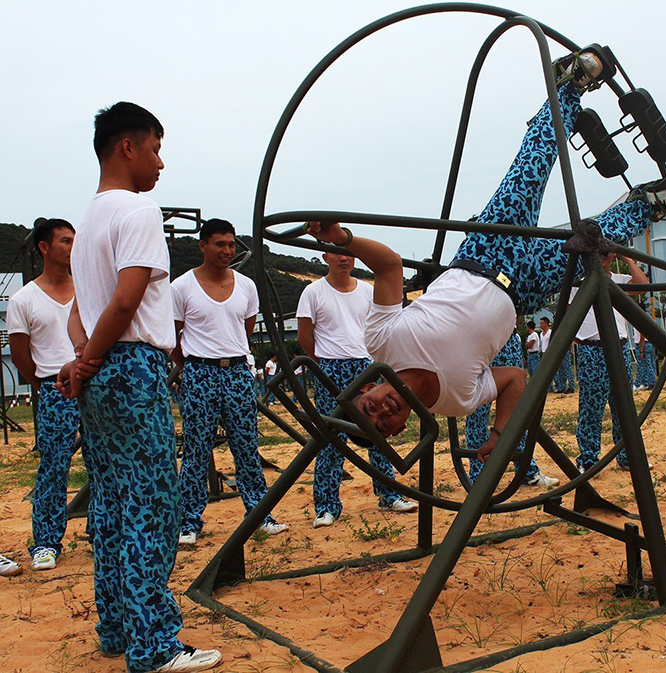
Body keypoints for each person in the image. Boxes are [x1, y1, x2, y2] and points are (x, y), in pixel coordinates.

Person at [307, 48, 666, 460]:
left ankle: (568, 88)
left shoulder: (381, 343)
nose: (383, 412)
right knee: (596, 245)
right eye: (384, 425)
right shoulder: (454, 401)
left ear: (366, 388)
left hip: (485, 253)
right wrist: (498, 433)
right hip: (523, 291)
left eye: (369, 407)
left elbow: (389, 266)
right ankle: (645, 205)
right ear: (399, 431)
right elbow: (515, 378)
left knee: (531, 169)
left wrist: (343, 239)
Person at [56, 102, 221, 672]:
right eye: (155, 147)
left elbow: (81, 310)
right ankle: (156, 646)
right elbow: (126, 300)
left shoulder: (88, 221)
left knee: (111, 503)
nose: (160, 162)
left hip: (101, 371)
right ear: (127, 146)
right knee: (151, 504)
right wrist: (92, 357)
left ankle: (117, 628)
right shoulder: (137, 211)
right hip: (130, 368)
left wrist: (81, 359)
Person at [171, 218, 288, 547]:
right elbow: (173, 336)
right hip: (199, 373)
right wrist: (191, 367)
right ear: (203, 246)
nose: (227, 250)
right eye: (220, 244)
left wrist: (231, 360)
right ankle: (189, 522)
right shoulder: (181, 287)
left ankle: (260, 515)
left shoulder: (246, 287)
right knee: (196, 451)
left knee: (247, 447)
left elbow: (244, 330)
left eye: (231, 244)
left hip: (237, 372)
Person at [296, 251, 416, 526]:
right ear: (325, 256)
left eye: (349, 254)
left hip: (366, 366)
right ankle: (326, 506)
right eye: (337, 254)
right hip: (330, 366)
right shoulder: (313, 292)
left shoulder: (366, 290)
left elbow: (379, 327)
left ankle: (389, 494)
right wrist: (324, 364)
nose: (344, 259)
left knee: (377, 432)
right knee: (330, 435)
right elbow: (305, 337)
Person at [8, 218, 81, 571]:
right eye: (66, 241)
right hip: (55, 388)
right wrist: (44, 385)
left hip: (92, 382)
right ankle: (46, 543)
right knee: (54, 467)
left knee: (105, 464)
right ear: (44, 248)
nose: (72, 247)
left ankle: (103, 533)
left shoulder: (87, 288)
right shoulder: (24, 299)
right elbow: (21, 356)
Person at [571, 253, 647, 471]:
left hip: (620, 348)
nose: (602, 256)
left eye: (606, 252)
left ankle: (627, 457)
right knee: (591, 408)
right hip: (592, 349)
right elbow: (569, 312)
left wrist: (628, 259)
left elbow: (642, 286)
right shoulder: (580, 282)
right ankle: (588, 459)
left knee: (623, 406)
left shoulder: (620, 280)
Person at [464, 330, 559, 487]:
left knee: (518, 411)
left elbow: (527, 306)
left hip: (508, 338)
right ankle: (479, 475)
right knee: (477, 411)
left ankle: (526, 470)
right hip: (481, 337)